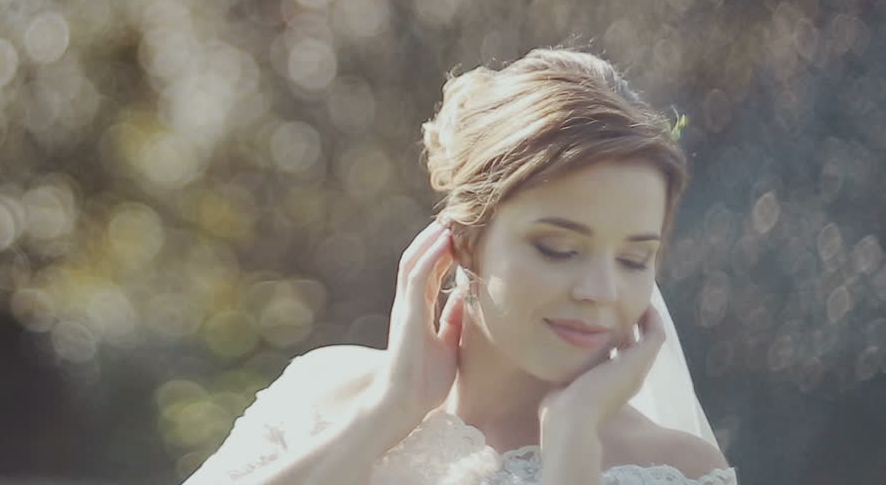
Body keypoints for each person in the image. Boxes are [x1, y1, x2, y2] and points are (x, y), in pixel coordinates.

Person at [183, 48, 738, 484]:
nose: (600, 290)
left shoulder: (678, 471)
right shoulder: (321, 395)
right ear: (465, 241)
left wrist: (572, 445)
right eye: (558, 248)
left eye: (634, 259)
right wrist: (387, 412)